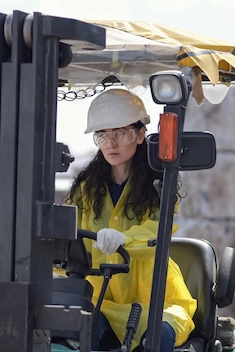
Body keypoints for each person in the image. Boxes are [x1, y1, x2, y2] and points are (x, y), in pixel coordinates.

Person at [65, 89, 196, 352]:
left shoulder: (160, 185)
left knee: (159, 339)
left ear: (139, 135)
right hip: (104, 302)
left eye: (120, 133)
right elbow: (68, 239)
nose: (110, 143)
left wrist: (124, 239)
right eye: (103, 135)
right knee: (71, 331)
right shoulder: (85, 190)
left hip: (157, 304)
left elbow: (159, 230)